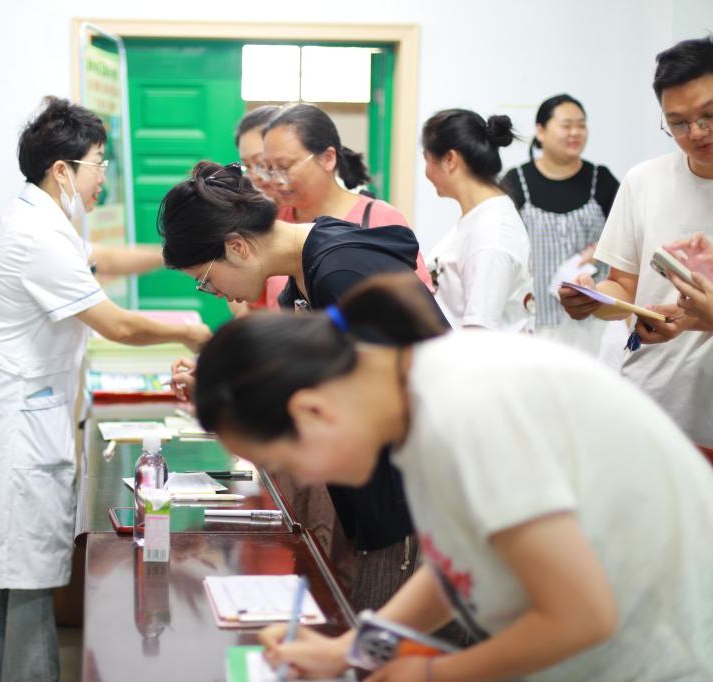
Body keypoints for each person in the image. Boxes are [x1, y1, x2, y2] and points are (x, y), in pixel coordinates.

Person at [190, 275, 713, 682]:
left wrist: (434, 673)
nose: (304, 478)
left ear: (312, 411)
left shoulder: (461, 409)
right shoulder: (416, 399)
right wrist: (349, 650)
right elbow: (455, 561)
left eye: (287, 462)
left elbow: (581, 617)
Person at [0, 97, 210, 681]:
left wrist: (184, 254)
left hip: (18, 416)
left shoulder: (42, 219)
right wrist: (192, 333)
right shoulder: (36, 235)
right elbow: (116, 324)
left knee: (4, 577)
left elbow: (106, 258)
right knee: (21, 579)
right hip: (14, 429)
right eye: (98, 165)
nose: (103, 179)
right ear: (62, 170)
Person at [158, 160, 449, 613]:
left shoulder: (338, 273)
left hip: (416, 506)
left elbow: (395, 398)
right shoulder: (308, 270)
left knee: (385, 642)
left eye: (206, 280)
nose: (216, 293)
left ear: (237, 246)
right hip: (394, 501)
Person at [558, 36, 713, 450]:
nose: (697, 133)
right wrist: (593, 298)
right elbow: (624, 287)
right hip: (653, 402)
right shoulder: (644, 182)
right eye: (678, 123)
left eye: (709, 115)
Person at [261, 103, 434, 291]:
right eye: (269, 169)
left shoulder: (379, 219)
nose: (275, 180)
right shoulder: (273, 223)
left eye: (285, 166)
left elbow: (417, 300)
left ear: (328, 158)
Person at [501, 94, 621, 355]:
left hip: (592, 321)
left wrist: (600, 250)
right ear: (541, 131)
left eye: (581, 125)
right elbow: (504, 242)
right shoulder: (517, 181)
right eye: (566, 125)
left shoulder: (601, 180)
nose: (575, 132)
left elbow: (626, 235)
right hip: (533, 318)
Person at [423, 109, 534, 332]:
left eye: (427, 159)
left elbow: (480, 334)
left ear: (450, 159)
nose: (426, 171)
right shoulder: (480, 218)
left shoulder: (493, 232)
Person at [234, 105, 287, 314]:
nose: (255, 175)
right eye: (247, 166)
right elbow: (244, 307)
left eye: (261, 163)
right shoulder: (254, 220)